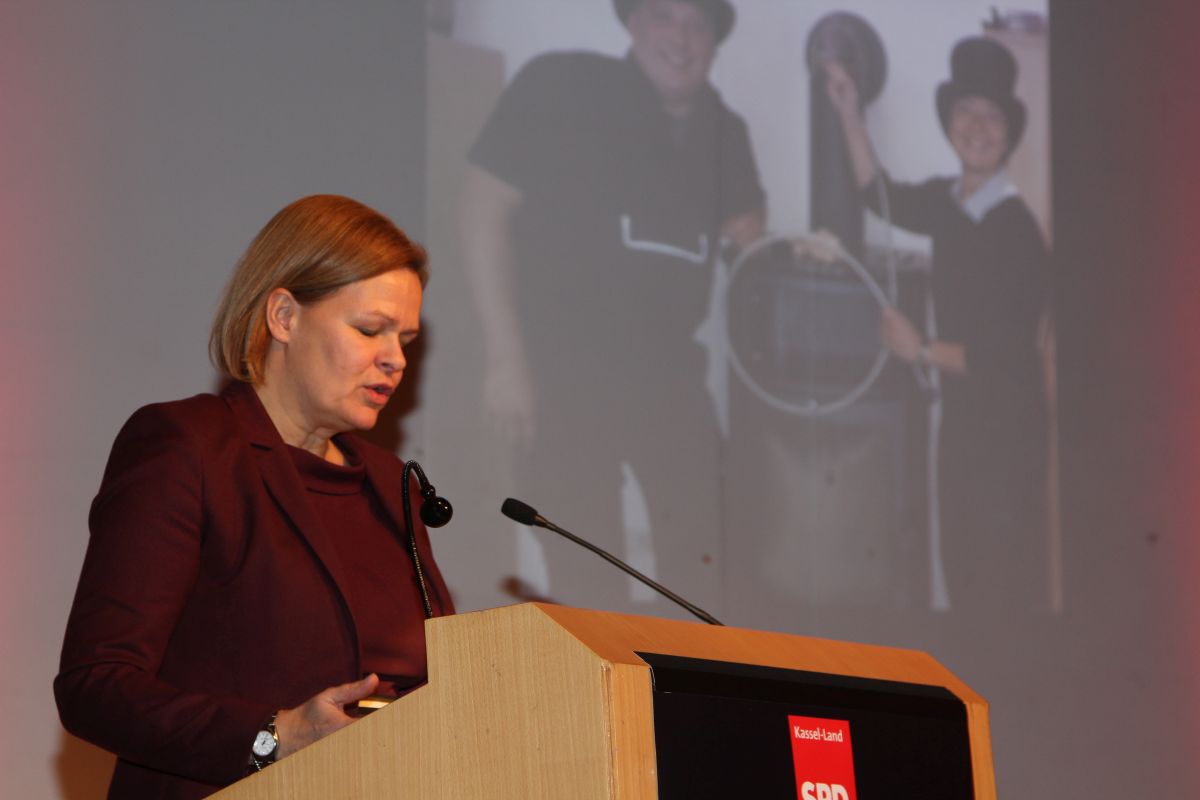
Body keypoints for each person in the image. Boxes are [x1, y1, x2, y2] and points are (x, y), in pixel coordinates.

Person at [54, 195, 455, 799]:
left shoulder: (390, 483)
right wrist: (273, 736)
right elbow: (97, 686)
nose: (395, 359)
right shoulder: (190, 448)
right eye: (370, 330)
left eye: (406, 339)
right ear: (284, 317)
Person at [460, 0, 765, 607]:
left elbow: (749, 240)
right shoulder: (560, 86)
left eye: (697, 24)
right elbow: (481, 207)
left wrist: (773, 247)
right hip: (562, 371)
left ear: (715, 41)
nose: (680, 37)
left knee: (709, 557)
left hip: (669, 374)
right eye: (664, 16)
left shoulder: (725, 131)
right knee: (583, 573)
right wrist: (505, 359)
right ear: (632, 22)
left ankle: (685, 670)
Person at [825, 37, 1049, 610]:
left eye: (992, 115)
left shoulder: (1019, 232)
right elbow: (877, 194)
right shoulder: (946, 203)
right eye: (965, 110)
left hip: (1010, 435)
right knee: (964, 573)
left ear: (1009, 133)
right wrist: (849, 111)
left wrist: (920, 349)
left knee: (1003, 587)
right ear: (950, 122)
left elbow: (1004, 358)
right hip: (962, 426)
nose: (977, 126)